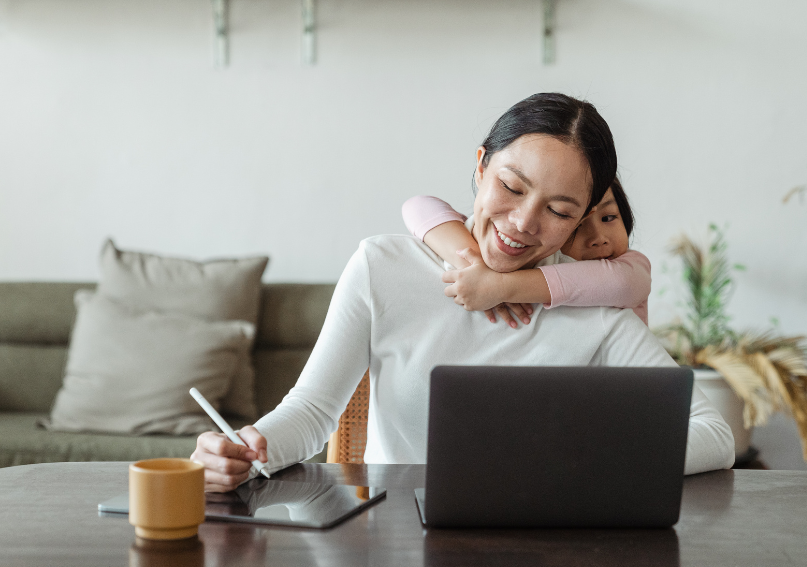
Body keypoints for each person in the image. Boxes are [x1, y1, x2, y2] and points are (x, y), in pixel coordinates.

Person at [192, 93, 735, 492]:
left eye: (559, 210)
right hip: (396, 540)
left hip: (543, 544)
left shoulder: (594, 307)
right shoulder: (383, 267)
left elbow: (714, 434)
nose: (523, 223)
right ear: (479, 168)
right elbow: (311, 412)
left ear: (582, 220)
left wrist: (593, 457)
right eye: (511, 187)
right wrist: (246, 448)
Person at [401, 176, 651, 327]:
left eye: (609, 217)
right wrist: (474, 266)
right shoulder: (538, 259)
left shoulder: (631, 267)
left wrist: (500, 286)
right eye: (577, 226)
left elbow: (621, 284)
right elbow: (418, 206)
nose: (599, 239)